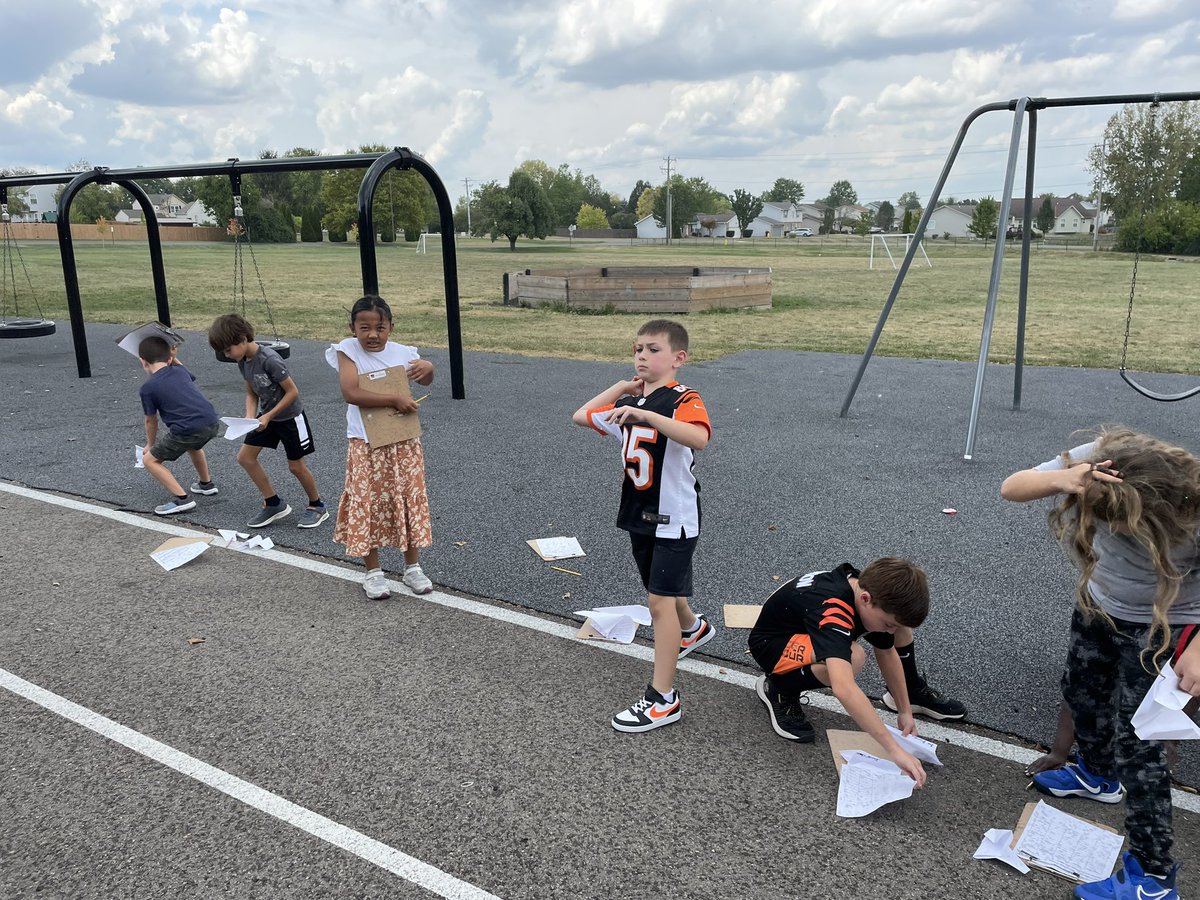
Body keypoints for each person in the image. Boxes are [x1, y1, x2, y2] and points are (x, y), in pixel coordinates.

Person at [1001, 427, 1200, 900]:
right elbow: (1011, 487)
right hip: (1099, 606)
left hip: (1164, 629)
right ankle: (1096, 773)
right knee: (1080, 690)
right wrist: (1065, 479)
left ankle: (1153, 879)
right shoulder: (1101, 459)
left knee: (1141, 747)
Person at [571, 319, 716, 733]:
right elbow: (581, 416)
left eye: (653, 349)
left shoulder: (682, 397)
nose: (642, 356)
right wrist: (622, 388)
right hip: (639, 512)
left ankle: (662, 699)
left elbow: (698, 437)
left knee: (657, 603)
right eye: (637, 349)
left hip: (674, 515)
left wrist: (645, 415)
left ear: (678, 358)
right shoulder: (629, 404)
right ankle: (693, 628)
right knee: (663, 594)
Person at [748, 559, 930, 787]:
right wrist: (894, 750)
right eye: (887, 624)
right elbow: (844, 688)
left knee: (900, 630)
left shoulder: (868, 591)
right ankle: (778, 687)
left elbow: (886, 652)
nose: (889, 630)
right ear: (865, 600)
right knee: (853, 657)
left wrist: (905, 710)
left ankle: (914, 693)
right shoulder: (835, 610)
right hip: (770, 645)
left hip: (799, 629)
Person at [325, 295, 435, 600]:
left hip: (403, 440)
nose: (373, 334)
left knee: (406, 499)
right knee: (367, 502)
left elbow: (425, 380)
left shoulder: (404, 353)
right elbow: (350, 391)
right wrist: (393, 400)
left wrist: (427, 367)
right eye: (365, 327)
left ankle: (412, 567)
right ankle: (373, 572)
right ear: (353, 328)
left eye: (380, 327)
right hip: (366, 441)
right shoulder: (347, 351)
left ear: (391, 327)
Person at [207, 314, 327, 529]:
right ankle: (274, 504)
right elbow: (251, 392)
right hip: (265, 418)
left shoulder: (270, 359)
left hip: (290, 418)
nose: (228, 355)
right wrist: (249, 416)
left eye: (228, 350)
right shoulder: (242, 360)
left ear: (242, 340)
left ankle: (317, 505)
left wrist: (268, 416)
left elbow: (292, 392)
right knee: (245, 458)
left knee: (296, 467)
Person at [136, 335, 220, 515]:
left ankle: (183, 499)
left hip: (187, 430)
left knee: (150, 460)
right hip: (211, 422)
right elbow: (178, 366)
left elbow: (151, 420)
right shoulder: (179, 371)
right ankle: (206, 484)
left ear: (142, 361)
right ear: (170, 358)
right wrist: (173, 355)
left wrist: (150, 445)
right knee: (194, 446)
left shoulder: (148, 388)